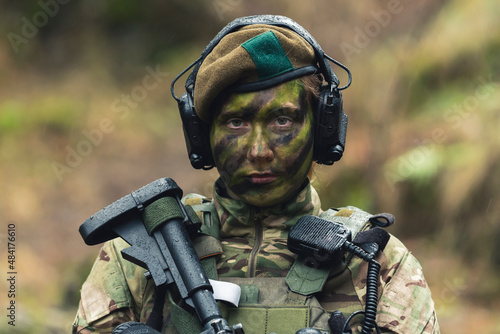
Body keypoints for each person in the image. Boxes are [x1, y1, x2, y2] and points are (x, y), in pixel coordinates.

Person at [73, 15, 440, 334]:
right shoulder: (141, 254)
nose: (259, 151)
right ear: (202, 135)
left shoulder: (375, 262)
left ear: (323, 130)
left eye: (283, 120)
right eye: (236, 122)